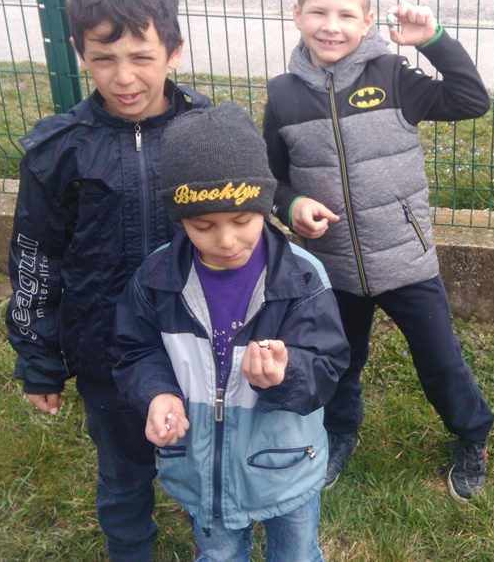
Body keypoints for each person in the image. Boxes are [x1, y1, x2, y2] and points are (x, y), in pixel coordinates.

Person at [262, 0, 494, 501]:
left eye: (347, 14)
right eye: (318, 12)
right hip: (333, 266)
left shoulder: (392, 75)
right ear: (297, 14)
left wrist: (434, 42)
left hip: (406, 260)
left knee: (439, 359)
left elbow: (471, 100)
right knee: (337, 360)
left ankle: (472, 434)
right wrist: (291, 207)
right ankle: (340, 432)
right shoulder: (283, 97)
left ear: (368, 21)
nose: (331, 26)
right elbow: (271, 181)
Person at [5, 0, 210, 561]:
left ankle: (216, 544)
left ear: (173, 50)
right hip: (105, 351)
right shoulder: (58, 150)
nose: (124, 77)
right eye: (103, 58)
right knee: (123, 475)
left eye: (142, 57)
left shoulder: (207, 133)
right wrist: (39, 361)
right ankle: (129, 549)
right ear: (79, 53)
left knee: (206, 466)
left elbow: (247, 240)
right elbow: (35, 258)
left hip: (199, 345)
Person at [110, 104, 349, 561]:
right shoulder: (157, 279)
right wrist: (158, 393)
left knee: (296, 553)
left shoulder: (302, 278)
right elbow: (134, 349)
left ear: (264, 205)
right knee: (218, 555)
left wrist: (286, 374)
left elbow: (328, 362)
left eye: (242, 221)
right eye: (203, 226)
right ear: (180, 218)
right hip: (200, 469)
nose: (226, 240)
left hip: (284, 463)